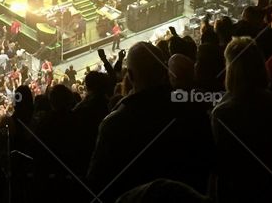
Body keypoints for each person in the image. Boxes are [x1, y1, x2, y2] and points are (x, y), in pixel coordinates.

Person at [87, 42, 213, 201]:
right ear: (164, 71)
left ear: (131, 76)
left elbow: (97, 185)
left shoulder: (114, 125)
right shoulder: (195, 107)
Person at [211, 37, 272, 203]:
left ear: (231, 68)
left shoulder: (222, 113)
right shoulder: (271, 99)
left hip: (242, 191)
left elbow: (223, 168)